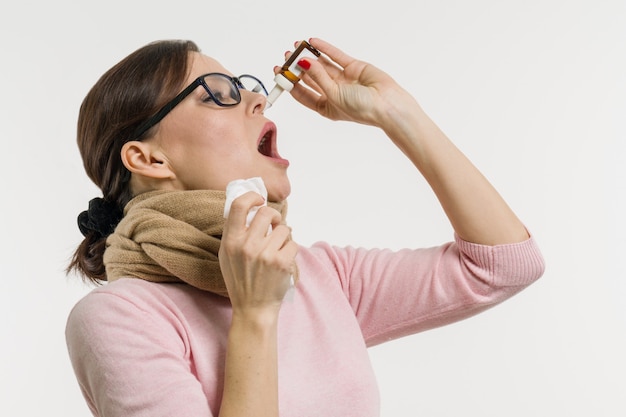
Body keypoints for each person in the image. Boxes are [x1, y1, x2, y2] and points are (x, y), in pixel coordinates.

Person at [65, 38, 545, 417]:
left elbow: (502, 265)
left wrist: (397, 114)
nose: (257, 99)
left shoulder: (319, 275)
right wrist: (256, 313)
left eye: (247, 85)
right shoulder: (117, 318)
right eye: (221, 93)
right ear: (148, 158)